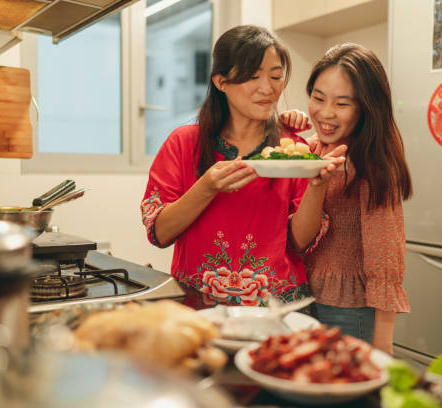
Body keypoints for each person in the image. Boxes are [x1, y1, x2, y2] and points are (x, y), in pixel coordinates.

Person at [140, 25, 345, 308]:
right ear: (221, 81)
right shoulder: (184, 143)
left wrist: (317, 186)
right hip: (200, 308)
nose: (268, 88)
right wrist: (206, 187)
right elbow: (159, 233)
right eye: (253, 76)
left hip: (278, 308)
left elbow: (300, 243)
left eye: (276, 76)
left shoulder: (292, 150)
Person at [280, 43, 412, 354]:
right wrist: (285, 129)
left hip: (349, 311)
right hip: (303, 300)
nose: (325, 113)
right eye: (317, 98)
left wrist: (383, 341)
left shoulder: (371, 162)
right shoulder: (314, 149)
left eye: (342, 104)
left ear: (367, 107)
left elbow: (386, 255)